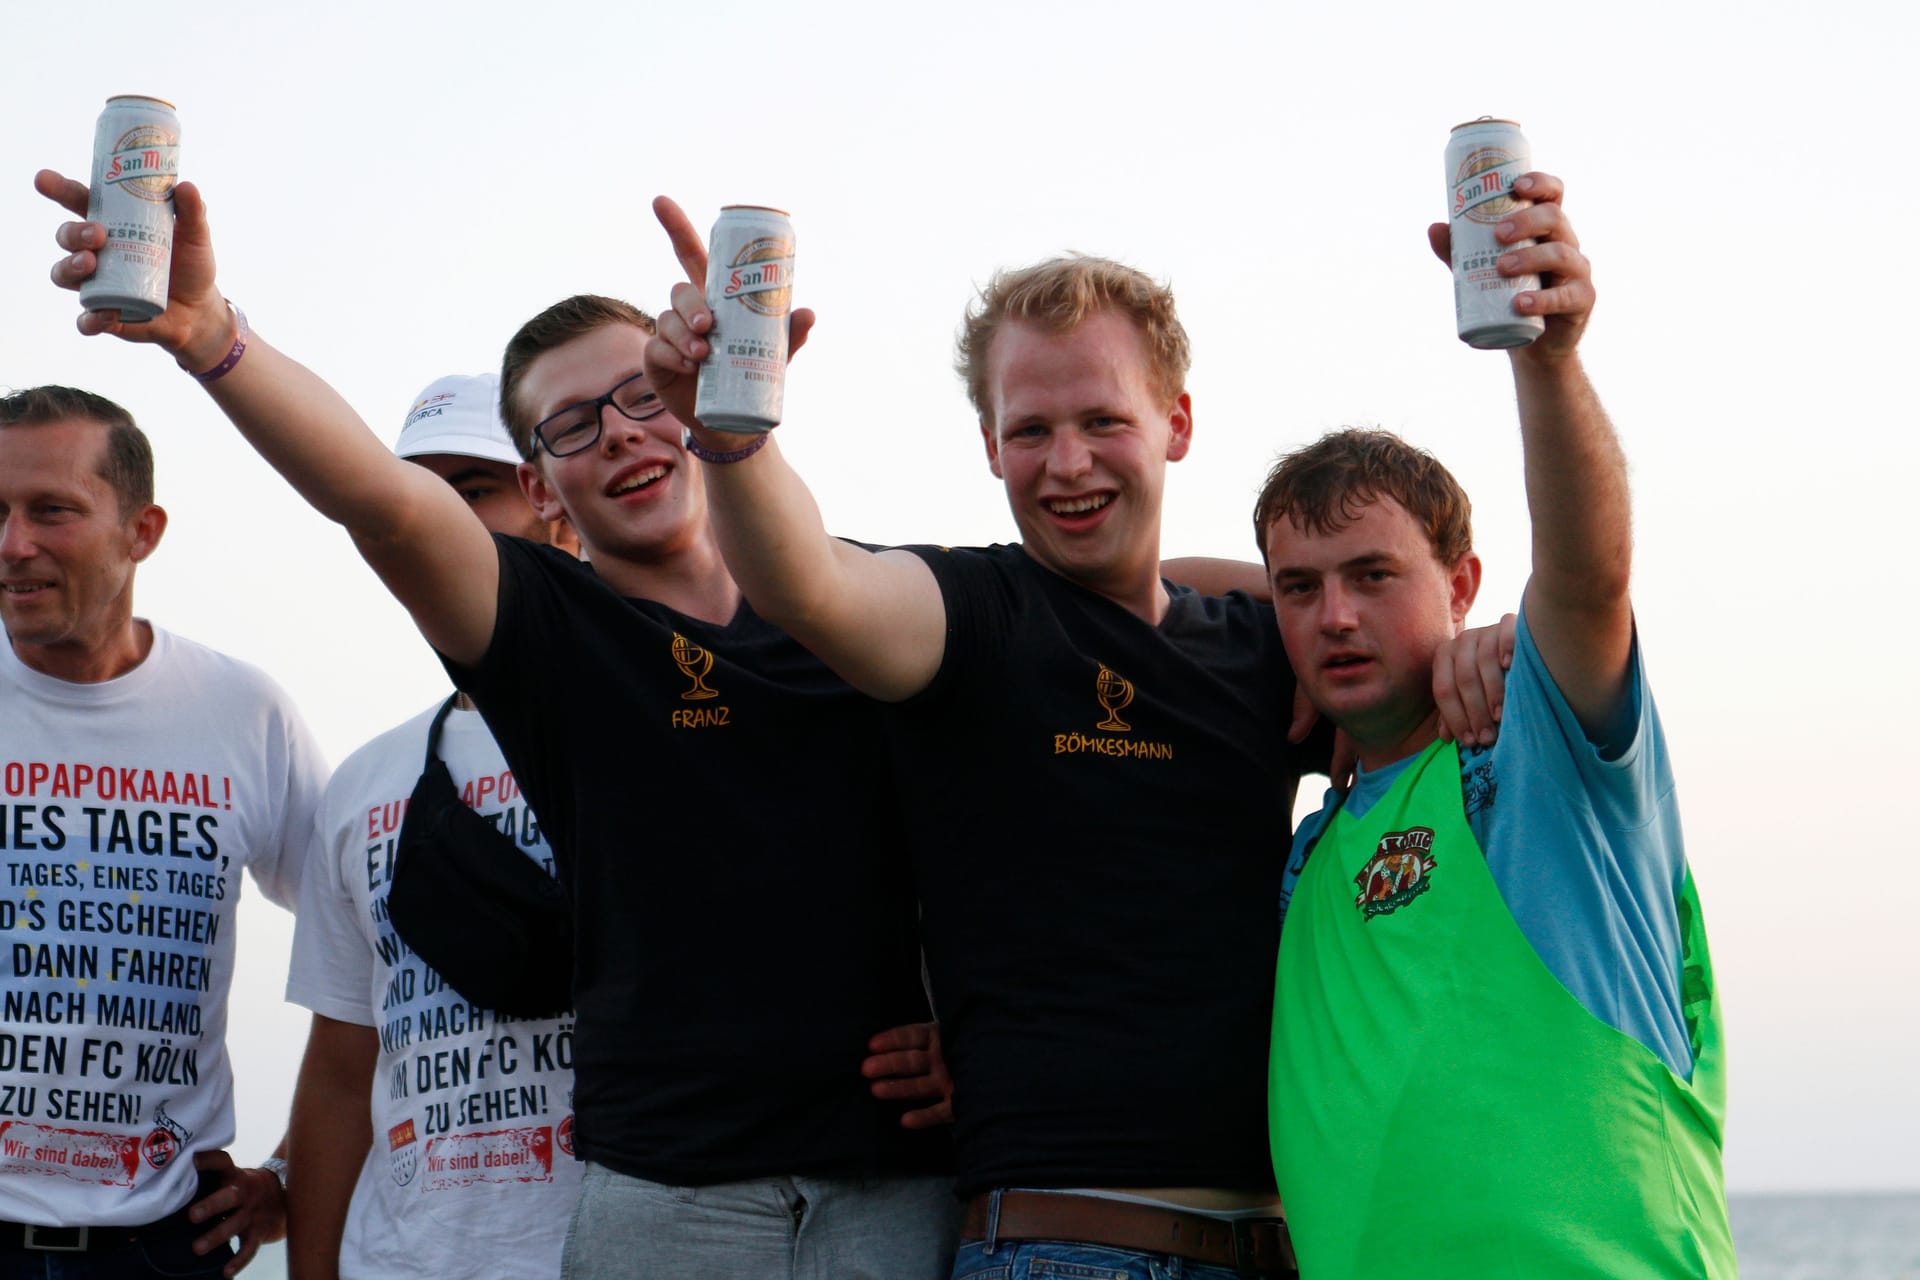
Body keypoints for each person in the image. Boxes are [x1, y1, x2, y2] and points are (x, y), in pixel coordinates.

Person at [37, 169, 957, 1280]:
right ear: (544, 487)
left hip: (892, 1183)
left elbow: (1039, 781)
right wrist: (211, 336)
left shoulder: (862, 606)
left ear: (699, 389)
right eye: (573, 425)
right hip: (670, 1197)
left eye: (645, 395)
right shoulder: (552, 638)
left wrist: (989, 1041)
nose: (620, 434)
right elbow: (382, 497)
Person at [642, 201, 1508, 1280]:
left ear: (1177, 425)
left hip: (1288, 1245)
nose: (1068, 463)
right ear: (988, 446)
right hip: (1067, 1244)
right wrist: (729, 432)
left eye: (1103, 420)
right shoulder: (973, 617)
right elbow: (805, 579)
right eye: (1030, 430)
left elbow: (1383, 622)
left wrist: (1484, 645)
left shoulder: (1265, 649)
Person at [1254, 173, 1735, 1277]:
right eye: (1298, 587)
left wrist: (1547, 358)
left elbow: (1588, 574)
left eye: (1374, 575)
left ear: (1463, 578)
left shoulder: (1533, 762)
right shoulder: (1313, 848)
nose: (1335, 615)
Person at [0, 385, 327, 1278]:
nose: (13, 544)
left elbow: (376, 949)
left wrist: (291, 1171)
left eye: (51, 511)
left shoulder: (241, 712)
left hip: (159, 1248)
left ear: (142, 531)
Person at [281, 372, 583, 1280]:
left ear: (554, 505)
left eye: (471, 491)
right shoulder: (365, 780)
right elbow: (342, 1062)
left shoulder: (669, 730)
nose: (425, 520)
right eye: (408, 492)